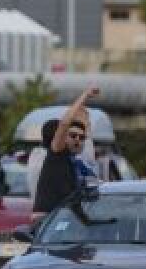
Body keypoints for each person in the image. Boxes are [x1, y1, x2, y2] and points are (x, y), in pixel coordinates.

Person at [32, 87, 100, 219]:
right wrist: (85, 96)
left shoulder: (73, 161)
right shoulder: (57, 154)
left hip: (61, 218)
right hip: (46, 219)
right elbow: (64, 124)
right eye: (73, 136)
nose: (78, 140)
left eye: (81, 138)